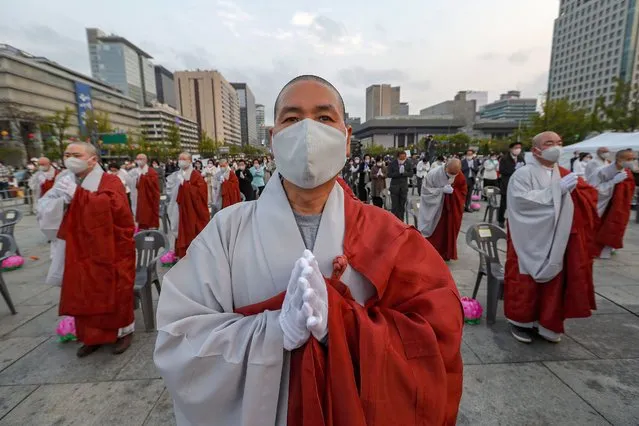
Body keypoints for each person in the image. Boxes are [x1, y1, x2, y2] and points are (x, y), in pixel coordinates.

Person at [154, 75, 463, 426]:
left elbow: (435, 337)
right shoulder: (225, 232)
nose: (308, 132)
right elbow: (179, 338)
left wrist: (344, 328)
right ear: (273, 139)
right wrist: (275, 331)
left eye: (324, 118)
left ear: (346, 139)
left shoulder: (388, 233)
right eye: (292, 118)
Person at [38, 142, 135, 357]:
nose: (70, 157)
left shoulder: (110, 181)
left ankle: (123, 332)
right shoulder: (65, 181)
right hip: (80, 247)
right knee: (84, 291)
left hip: (110, 247)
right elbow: (44, 207)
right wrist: (63, 201)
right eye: (67, 154)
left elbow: (116, 210)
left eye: (76, 154)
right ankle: (92, 336)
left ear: (92, 159)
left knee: (115, 289)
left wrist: (81, 196)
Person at [504, 131, 598, 344]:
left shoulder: (564, 173)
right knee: (524, 281)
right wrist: (556, 191)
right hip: (528, 237)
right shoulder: (523, 174)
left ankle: (547, 323)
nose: (555, 146)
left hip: (558, 237)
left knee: (554, 284)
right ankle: (521, 322)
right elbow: (520, 203)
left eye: (559, 142)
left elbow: (589, 198)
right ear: (536, 149)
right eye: (549, 143)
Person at [588, 148, 637, 259]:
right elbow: (591, 190)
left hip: (617, 205)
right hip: (601, 205)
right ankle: (593, 250)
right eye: (629, 159)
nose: (632, 161)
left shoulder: (626, 171)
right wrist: (613, 182)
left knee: (614, 226)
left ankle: (606, 250)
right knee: (596, 228)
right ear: (619, 159)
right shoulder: (601, 171)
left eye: (633, 158)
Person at [418, 159, 467, 261]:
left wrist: (454, 193)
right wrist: (441, 191)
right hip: (435, 208)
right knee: (436, 232)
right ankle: (432, 252)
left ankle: (446, 253)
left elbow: (463, 190)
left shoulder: (459, 175)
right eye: (451, 173)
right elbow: (425, 191)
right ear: (446, 167)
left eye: (455, 173)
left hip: (450, 209)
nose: (453, 175)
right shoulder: (434, 174)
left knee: (448, 231)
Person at [166, 153, 210, 258]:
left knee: (192, 232)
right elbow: (170, 191)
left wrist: (185, 185)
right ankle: (181, 255)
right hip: (179, 208)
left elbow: (201, 193)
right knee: (180, 229)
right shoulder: (176, 175)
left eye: (184, 159)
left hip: (192, 211)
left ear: (190, 161)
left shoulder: (196, 175)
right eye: (179, 158)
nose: (181, 161)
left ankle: (195, 256)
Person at [498, 142, 526, 228]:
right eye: (516, 147)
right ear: (511, 149)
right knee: (504, 204)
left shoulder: (521, 157)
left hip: (518, 184)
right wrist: (515, 170)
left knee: (516, 203)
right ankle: (501, 220)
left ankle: (514, 219)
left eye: (519, 147)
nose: (518, 149)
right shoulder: (504, 158)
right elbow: (502, 170)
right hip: (506, 183)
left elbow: (524, 167)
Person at [129, 154, 160, 230]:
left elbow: (155, 187)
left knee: (149, 219)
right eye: (138, 159)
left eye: (141, 159)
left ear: (146, 160)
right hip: (137, 197)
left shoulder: (151, 172)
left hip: (149, 199)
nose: (139, 160)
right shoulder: (134, 171)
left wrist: (143, 178)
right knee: (140, 218)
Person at [387, 150, 414, 220]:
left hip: (403, 188)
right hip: (394, 188)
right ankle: (393, 221)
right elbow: (389, 174)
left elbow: (411, 173)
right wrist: (398, 173)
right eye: (401, 158)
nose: (403, 159)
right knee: (395, 206)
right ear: (398, 157)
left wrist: (404, 173)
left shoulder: (408, 163)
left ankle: (401, 222)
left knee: (402, 206)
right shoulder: (392, 163)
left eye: (404, 158)